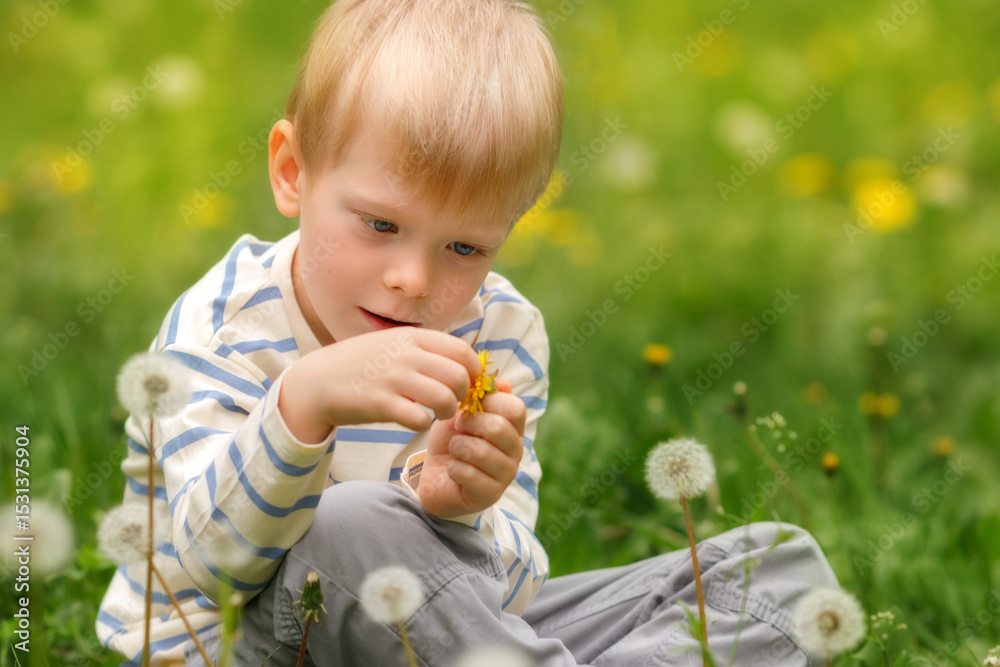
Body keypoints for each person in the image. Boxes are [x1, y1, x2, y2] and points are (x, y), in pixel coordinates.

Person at [97, 1, 838, 665]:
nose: (414, 279)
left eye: (465, 247)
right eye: (380, 224)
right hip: (241, 645)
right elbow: (213, 569)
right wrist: (301, 404)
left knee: (778, 570)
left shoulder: (500, 332)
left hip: (451, 639)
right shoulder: (225, 326)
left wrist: (460, 512)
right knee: (349, 527)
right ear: (294, 171)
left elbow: (507, 592)